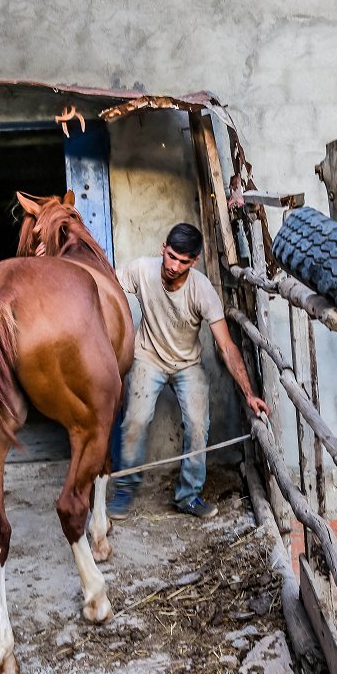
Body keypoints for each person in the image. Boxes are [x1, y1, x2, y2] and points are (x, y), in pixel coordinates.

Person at [107, 222, 269, 520]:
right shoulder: (142, 269)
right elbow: (105, 287)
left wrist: (250, 394)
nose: (173, 265)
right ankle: (126, 489)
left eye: (183, 261)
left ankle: (188, 495)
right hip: (147, 357)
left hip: (187, 364)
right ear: (163, 249)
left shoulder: (202, 289)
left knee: (197, 425)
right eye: (170, 256)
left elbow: (227, 347)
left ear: (193, 262)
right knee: (135, 420)